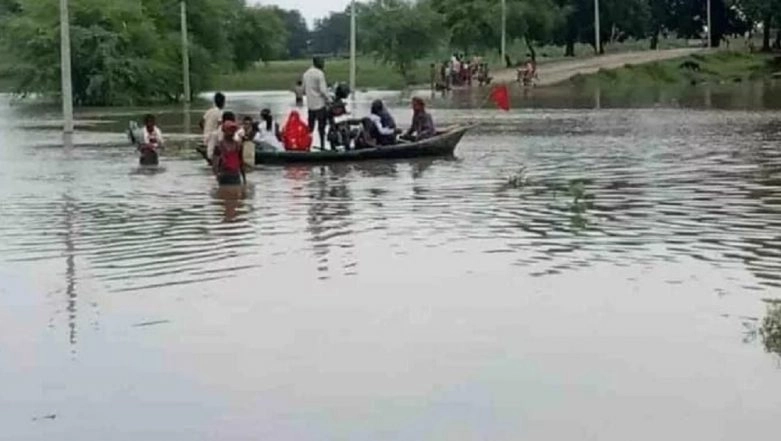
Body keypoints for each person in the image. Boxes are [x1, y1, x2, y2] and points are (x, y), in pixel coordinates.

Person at [302, 57, 330, 148]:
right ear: (317, 63)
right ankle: (322, 145)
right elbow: (323, 90)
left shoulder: (306, 74)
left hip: (310, 105)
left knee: (310, 127)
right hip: (320, 105)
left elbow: (303, 89)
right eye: (322, 62)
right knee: (321, 127)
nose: (323, 64)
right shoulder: (319, 74)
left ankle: (307, 145)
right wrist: (329, 99)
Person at [212, 120, 245, 186]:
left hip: (235, 174)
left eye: (233, 131)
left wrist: (244, 179)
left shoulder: (238, 145)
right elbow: (215, 163)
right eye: (229, 130)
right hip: (224, 174)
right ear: (224, 131)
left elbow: (241, 161)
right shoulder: (219, 145)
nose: (231, 133)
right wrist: (217, 175)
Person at [201, 92, 225, 160]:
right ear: (223, 102)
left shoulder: (209, 111)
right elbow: (220, 126)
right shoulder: (220, 113)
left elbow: (201, 123)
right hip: (213, 139)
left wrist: (205, 131)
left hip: (205, 137)